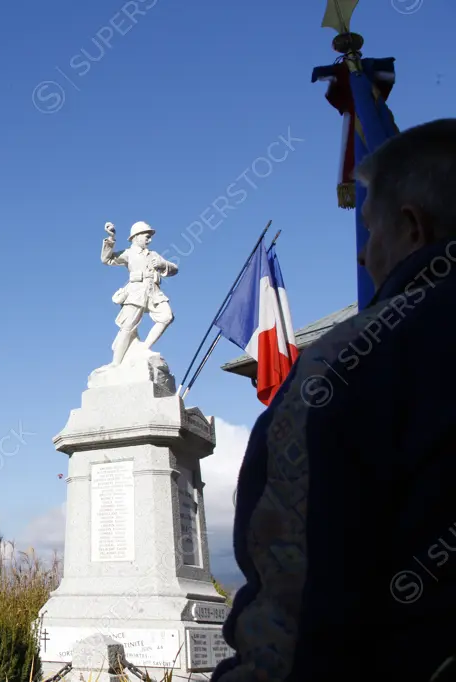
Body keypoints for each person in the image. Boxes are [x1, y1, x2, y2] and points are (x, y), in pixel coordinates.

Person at [213, 118, 456, 682]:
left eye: (369, 231)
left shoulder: (350, 369)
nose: (362, 255)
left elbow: (290, 624)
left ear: (413, 227)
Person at [101, 220, 178, 366]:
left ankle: (144, 348)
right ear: (136, 237)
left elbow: (174, 269)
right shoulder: (128, 253)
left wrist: (163, 265)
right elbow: (107, 259)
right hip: (136, 292)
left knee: (167, 316)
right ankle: (115, 363)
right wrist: (111, 238)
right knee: (128, 326)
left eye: (150, 236)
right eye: (146, 236)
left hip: (154, 291)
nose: (149, 239)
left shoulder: (153, 254)